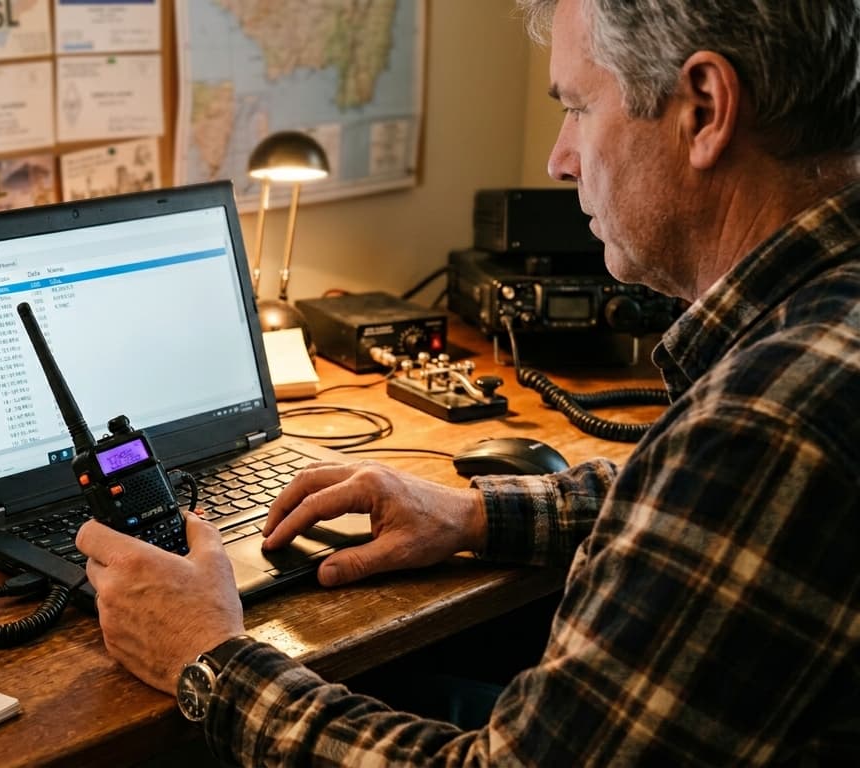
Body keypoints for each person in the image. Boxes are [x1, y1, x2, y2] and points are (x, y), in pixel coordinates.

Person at [76, 0, 860, 763]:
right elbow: (698, 521)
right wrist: (472, 514)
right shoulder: (814, 337)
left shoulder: (769, 419)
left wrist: (209, 659)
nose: (559, 158)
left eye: (580, 108)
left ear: (704, 108)